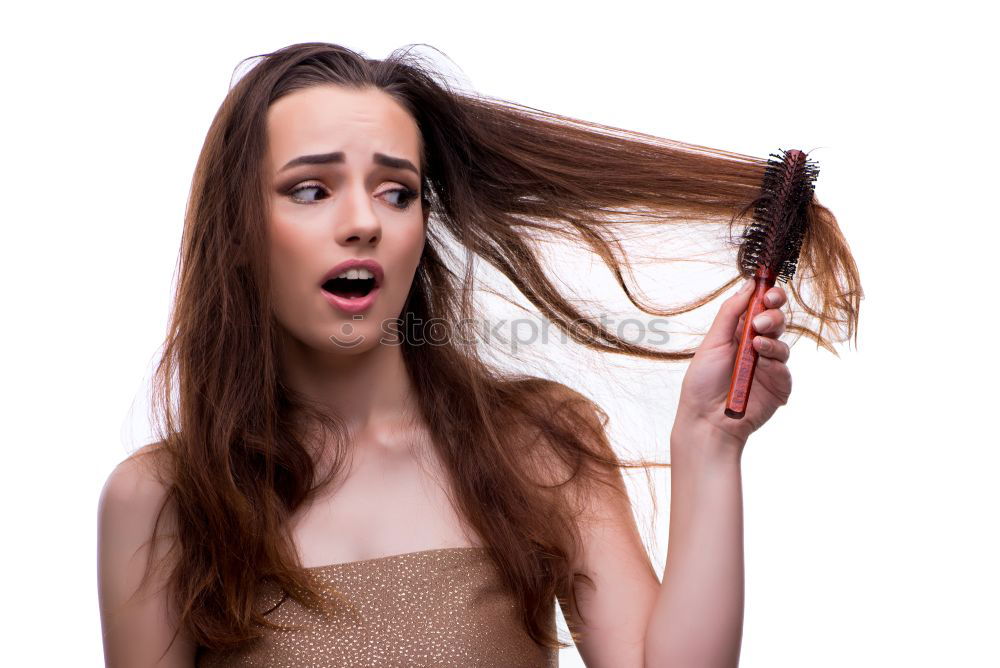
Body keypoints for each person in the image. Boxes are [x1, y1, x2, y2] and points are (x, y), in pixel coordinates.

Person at [97, 42, 860, 667]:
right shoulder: (162, 501)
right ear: (238, 227)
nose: (363, 221)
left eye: (397, 191)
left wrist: (709, 445)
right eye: (311, 190)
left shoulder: (537, 445)